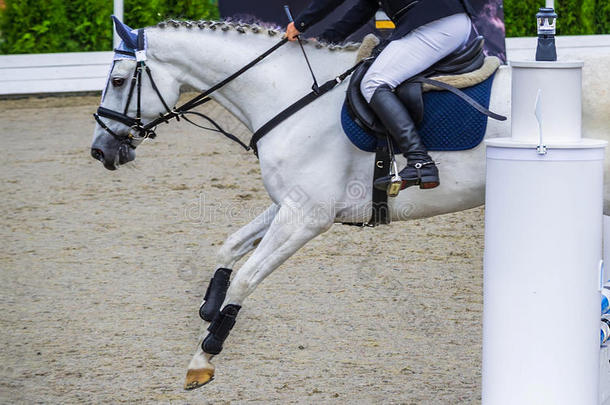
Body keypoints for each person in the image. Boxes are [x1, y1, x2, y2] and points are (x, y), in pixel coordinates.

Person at [286, 0, 474, 191]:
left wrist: (300, 23)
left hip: (435, 22)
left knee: (373, 83)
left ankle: (420, 161)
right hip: (446, 20)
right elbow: (365, 7)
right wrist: (326, 40)